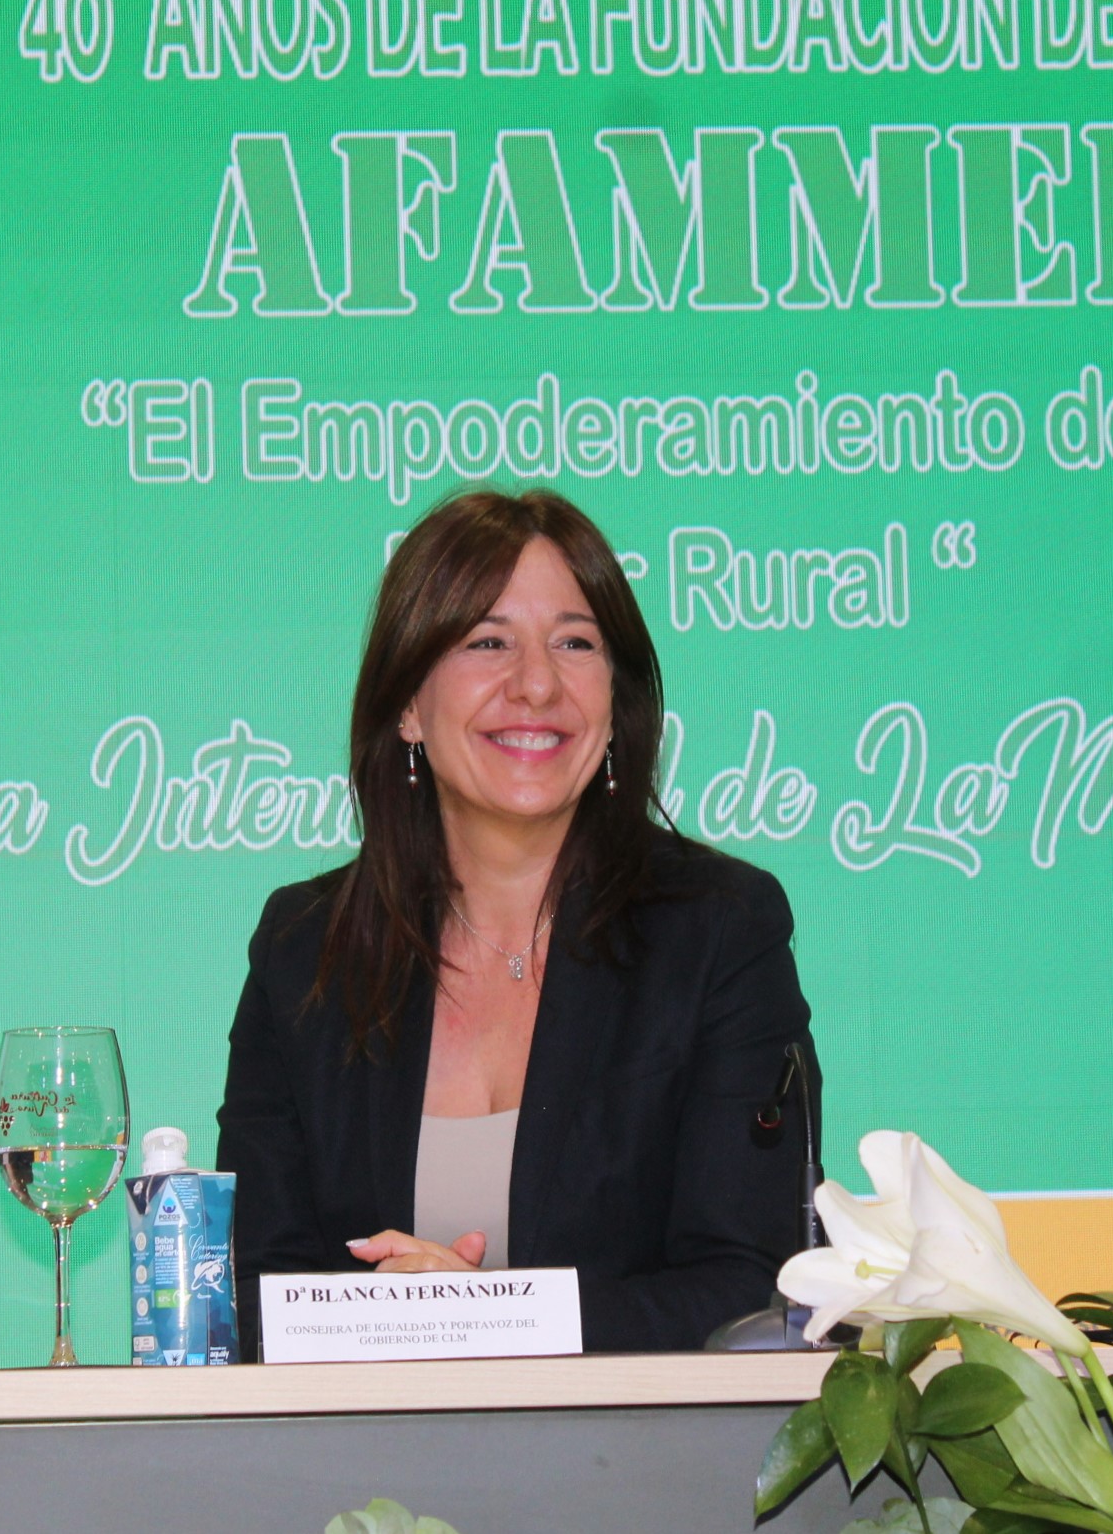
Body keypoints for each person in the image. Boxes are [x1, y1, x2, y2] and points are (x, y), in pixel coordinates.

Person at [216, 489, 819, 1354]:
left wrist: (486, 1316)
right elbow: (250, 1295)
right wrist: (413, 1320)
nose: (536, 683)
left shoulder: (718, 929)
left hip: (643, 1441)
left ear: (615, 698)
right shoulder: (306, 948)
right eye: (487, 641)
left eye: (575, 642)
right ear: (407, 704)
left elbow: (752, 1284)